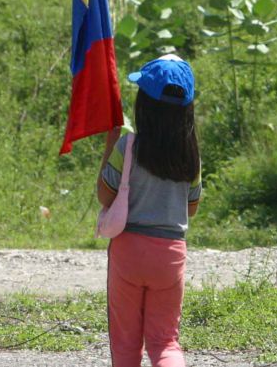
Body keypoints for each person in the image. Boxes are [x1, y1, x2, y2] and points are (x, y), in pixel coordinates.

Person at [97, 54, 201, 367]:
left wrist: (110, 146)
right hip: (170, 254)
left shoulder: (128, 146)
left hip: (129, 250)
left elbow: (105, 196)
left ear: (144, 105)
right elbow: (191, 208)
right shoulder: (191, 155)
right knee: (165, 342)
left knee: (126, 345)